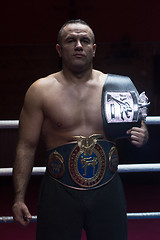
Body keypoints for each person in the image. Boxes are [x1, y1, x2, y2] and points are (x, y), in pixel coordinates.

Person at [12, 19, 148, 240]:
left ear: (93, 50)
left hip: (108, 191)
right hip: (59, 192)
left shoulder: (117, 87)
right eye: (70, 40)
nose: (78, 45)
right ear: (59, 49)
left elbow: (137, 126)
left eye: (85, 40)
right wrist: (18, 198)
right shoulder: (40, 91)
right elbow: (26, 146)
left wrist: (143, 135)